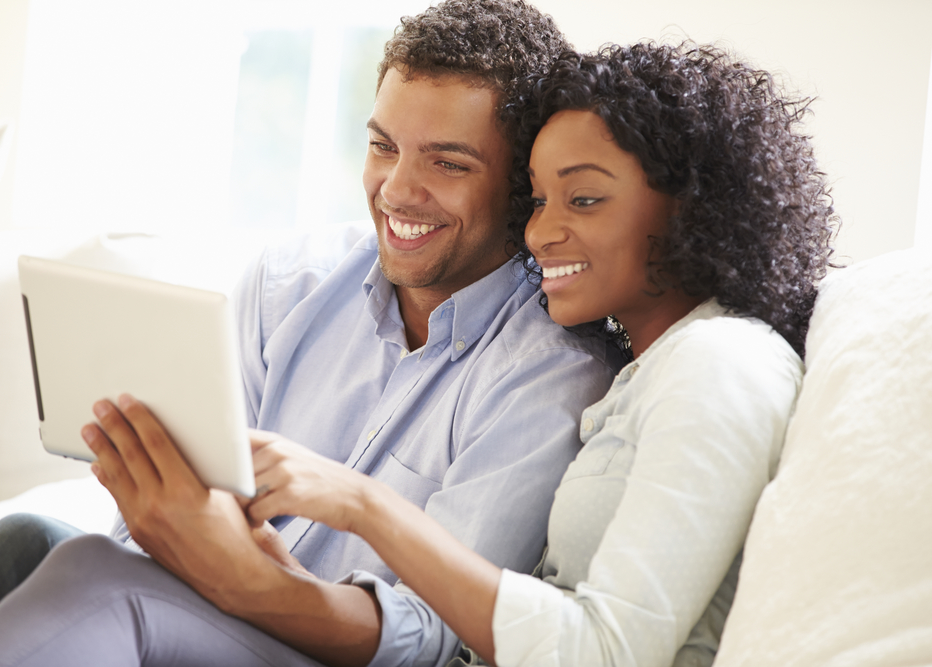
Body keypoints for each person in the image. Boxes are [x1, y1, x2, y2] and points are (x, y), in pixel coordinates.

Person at [0, 1, 622, 665]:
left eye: (448, 163)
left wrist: (252, 579)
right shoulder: (291, 280)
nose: (397, 189)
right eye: (383, 146)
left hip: (316, 647)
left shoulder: (553, 371)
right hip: (184, 601)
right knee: (11, 539)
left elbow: (431, 634)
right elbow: (172, 528)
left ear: (521, 184)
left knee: (77, 565)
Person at [196, 42, 839, 666]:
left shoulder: (718, 364)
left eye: (583, 199)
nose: (539, 232)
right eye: (537, 200)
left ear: (695, 207)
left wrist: (363, 506)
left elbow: (607, 651)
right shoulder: (650, 371)